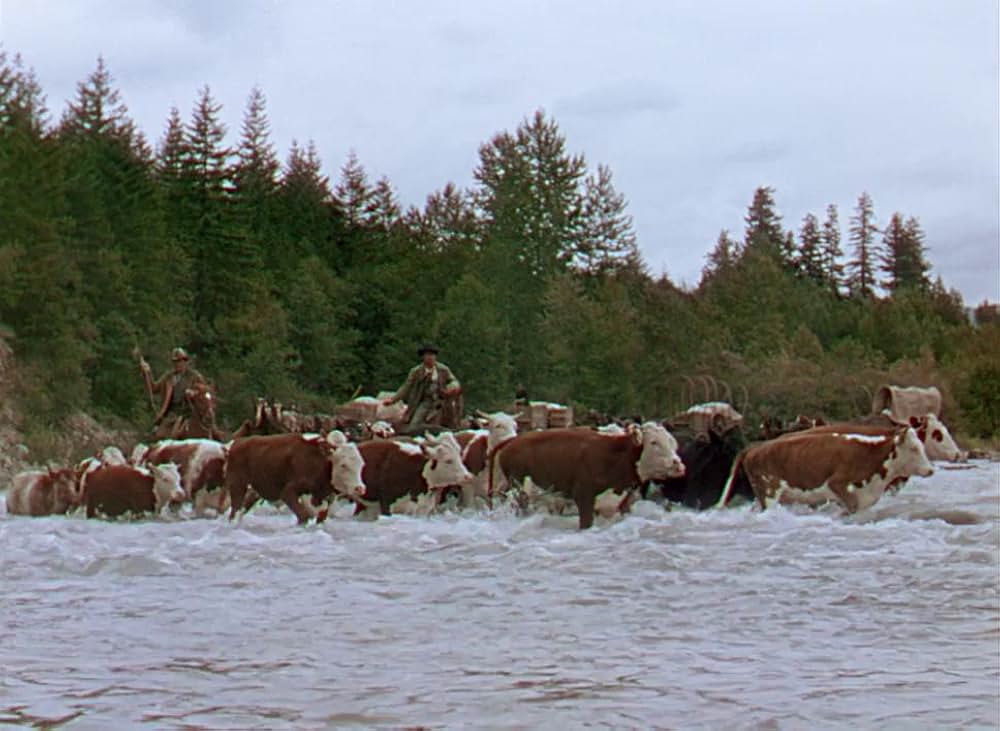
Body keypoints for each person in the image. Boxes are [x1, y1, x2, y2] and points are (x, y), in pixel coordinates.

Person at [383, 344, 462, 435]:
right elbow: (406, 387)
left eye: (432, 355)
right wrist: (393, 400)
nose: (430, 357)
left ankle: (456, 430)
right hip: (426, 401)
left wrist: (452, 387)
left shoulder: (443, 369)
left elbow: (454, 381)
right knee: (415, 423)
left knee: (453, 418)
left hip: (441, 400)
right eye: (427, 355)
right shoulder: (416, 371)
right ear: (423, 357)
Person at [139, 347, 209, 438]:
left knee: (208, 430)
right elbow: (154, 388)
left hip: (190, 412)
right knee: (158, 436)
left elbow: (205, 391)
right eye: (175, 361)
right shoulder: (168, 377)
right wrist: (147, 373)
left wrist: (193, 393)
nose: (178, 364)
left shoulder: (194, 376)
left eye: (180, 361)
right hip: (173, 413)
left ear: (186, 361)